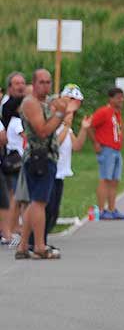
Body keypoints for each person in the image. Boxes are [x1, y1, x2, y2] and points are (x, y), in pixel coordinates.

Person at [14, 69, 68, 260]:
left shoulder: (44, 102)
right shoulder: (31, 103)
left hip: (45, 156)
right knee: (39, 202)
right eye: (42, 82)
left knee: (34, 203)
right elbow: (42, 131)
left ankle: (23, 246)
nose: (46, 86)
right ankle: (39, 246)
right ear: (34, 83)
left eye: (48, 82)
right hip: (39, 157)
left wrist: (59, 108)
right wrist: (60, 113)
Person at [43, 84, 92, 248]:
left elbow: (76, 146)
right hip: (50, 172)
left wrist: (84, 129)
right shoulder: (55, 124)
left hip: (60, 173)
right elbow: (55, 144)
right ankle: (39, 241)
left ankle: (43, 240)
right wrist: (66, 125)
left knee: (54, 211)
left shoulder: (66, 126)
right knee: (48, 209)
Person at [91, 87, 124, 220]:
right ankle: (101, 211)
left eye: (122, 97)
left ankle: (112, 209)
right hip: (106, 149)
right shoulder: (104, 112)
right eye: (118, 98)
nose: (121, 100)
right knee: (105, 179)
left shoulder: (116, 113)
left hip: (116, 150)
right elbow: (90, 125)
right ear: (110, 99)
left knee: (114, 180)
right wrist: (96, 142)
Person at [1, 71, 27, 245]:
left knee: (17, 196)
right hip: (11, 157)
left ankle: (15, 227)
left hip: (16, 155)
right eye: (17, 83)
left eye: (22, 83)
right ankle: (8, 231)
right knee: (12, 196)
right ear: (9, 87)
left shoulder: (20, 104)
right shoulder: (8, 106)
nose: (21, 86)